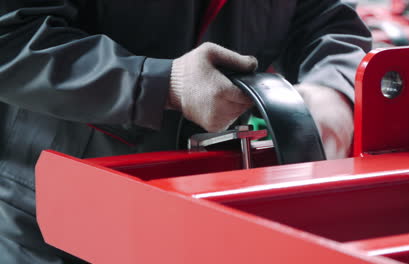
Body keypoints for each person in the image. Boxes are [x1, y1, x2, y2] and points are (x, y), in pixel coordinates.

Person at [0, 0, 371, 263]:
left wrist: (333, 85)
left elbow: (323, 17)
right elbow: (11, 39)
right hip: (56, 220)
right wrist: (160, 83)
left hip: (215, 207)